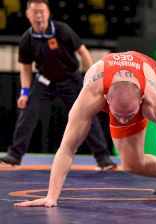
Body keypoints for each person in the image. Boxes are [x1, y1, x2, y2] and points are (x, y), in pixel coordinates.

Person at [12, 50, 156, 208]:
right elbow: (67, 148)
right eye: (119, 116)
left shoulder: (154, 101)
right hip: (121, 88)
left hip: (152, 76)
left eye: (129, 116)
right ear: (105, 99)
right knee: (132, 163)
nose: (125, 121)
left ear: (140, 102)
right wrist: (52, 196)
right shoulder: (90, 95)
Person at [0, 0, 116, 171]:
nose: (39, 16)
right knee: (28, 113)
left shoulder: (62, 30)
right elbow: (25, 68)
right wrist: (24, 92)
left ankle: (103, 159)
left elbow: (83, 51)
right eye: (35, 12)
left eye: (42, 12)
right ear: (28, 15)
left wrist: (92, 78)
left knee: (86, 116)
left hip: (71, 80)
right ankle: (14, 156)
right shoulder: (27, 39)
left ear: (48, 14)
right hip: (44, 81)